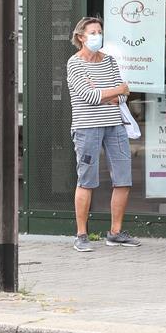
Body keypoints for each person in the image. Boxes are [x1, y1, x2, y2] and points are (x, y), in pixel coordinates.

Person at [66, 17, 140, 252]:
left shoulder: (109, 61)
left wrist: (106, 93)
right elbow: (90, 97)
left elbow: (123, 96)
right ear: (81, 37)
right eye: (93, 32)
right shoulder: (74, 63)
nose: (98, 36)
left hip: (115, 126)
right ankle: (81, 235)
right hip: (87, 128)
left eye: (99, 31)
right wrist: (114, 91)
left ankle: (115, 233)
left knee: (123, 178)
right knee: (86, 180)